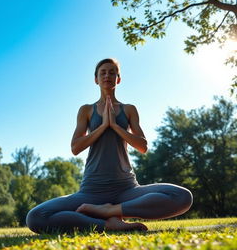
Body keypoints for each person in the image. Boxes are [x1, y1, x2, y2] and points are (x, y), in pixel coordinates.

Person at [26, 58, 193, 234]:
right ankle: (106, 225)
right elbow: (75, 148)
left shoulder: (129, 109)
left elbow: (142, 146)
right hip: (92, 191)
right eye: (103, 72)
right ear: (96, 79)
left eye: (112, 72)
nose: (107, 75)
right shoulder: (86, 110)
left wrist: (115, 126)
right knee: (36, 217)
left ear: (118, 79)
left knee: (183, 196)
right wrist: (103, 126)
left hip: (127, 188)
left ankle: (111, 211)